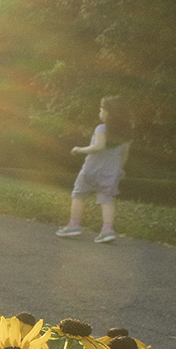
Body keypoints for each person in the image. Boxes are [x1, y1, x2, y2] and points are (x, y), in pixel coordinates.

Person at [56, 95, 133, 243]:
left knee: (78, 194)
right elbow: (125, 154)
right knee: (107, 199)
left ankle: (73, 225)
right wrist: (121, 169)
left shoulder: (101, 129)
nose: (100, 112)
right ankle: (107, 230)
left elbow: (98, 147)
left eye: (101, 110)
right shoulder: (126, 134)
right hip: (111, 172)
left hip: (92, 169)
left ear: (108, 113)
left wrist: (79, 149)